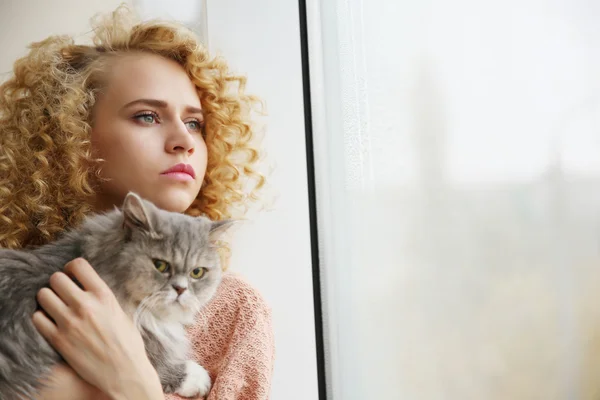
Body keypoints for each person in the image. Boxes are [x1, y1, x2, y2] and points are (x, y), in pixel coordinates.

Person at [0, 5, 274, 400]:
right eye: (147, 116)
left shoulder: (234, 312)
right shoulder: (15, 287)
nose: (184, 140)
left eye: (195, 123)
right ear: (73, 139)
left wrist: (134, 383)